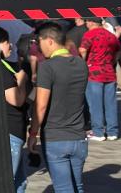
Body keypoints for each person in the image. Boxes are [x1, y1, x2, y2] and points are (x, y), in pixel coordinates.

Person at [28, 22, 89, 193]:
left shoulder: (47, 67)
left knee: (63, 189)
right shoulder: (80, 64)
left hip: (56, 138)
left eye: (39, 43)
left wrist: (33, 134)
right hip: (78, 137)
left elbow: (41, 106)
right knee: (78, 187)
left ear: (49, 40)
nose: (39, 48)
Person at [0, 27, 30, 193]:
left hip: (8, 130)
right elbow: (15, 100)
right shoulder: (1, 70)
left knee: (19, 181)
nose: (10, 45)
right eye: (5, 42)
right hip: (10, 130)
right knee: (9, 181)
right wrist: (22, 81)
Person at [78, 17, 121, 141]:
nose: (86, 23)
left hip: (94, 73)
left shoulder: (89, 34)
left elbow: (82, 49)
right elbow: (118, 51)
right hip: (109, 72)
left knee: (95, 104)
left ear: (90, 22)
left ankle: (98, 132)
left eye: (86, 21)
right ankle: (113, 132)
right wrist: (112, 61)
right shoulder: (111, 35)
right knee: (110, 104)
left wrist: (84, 62)